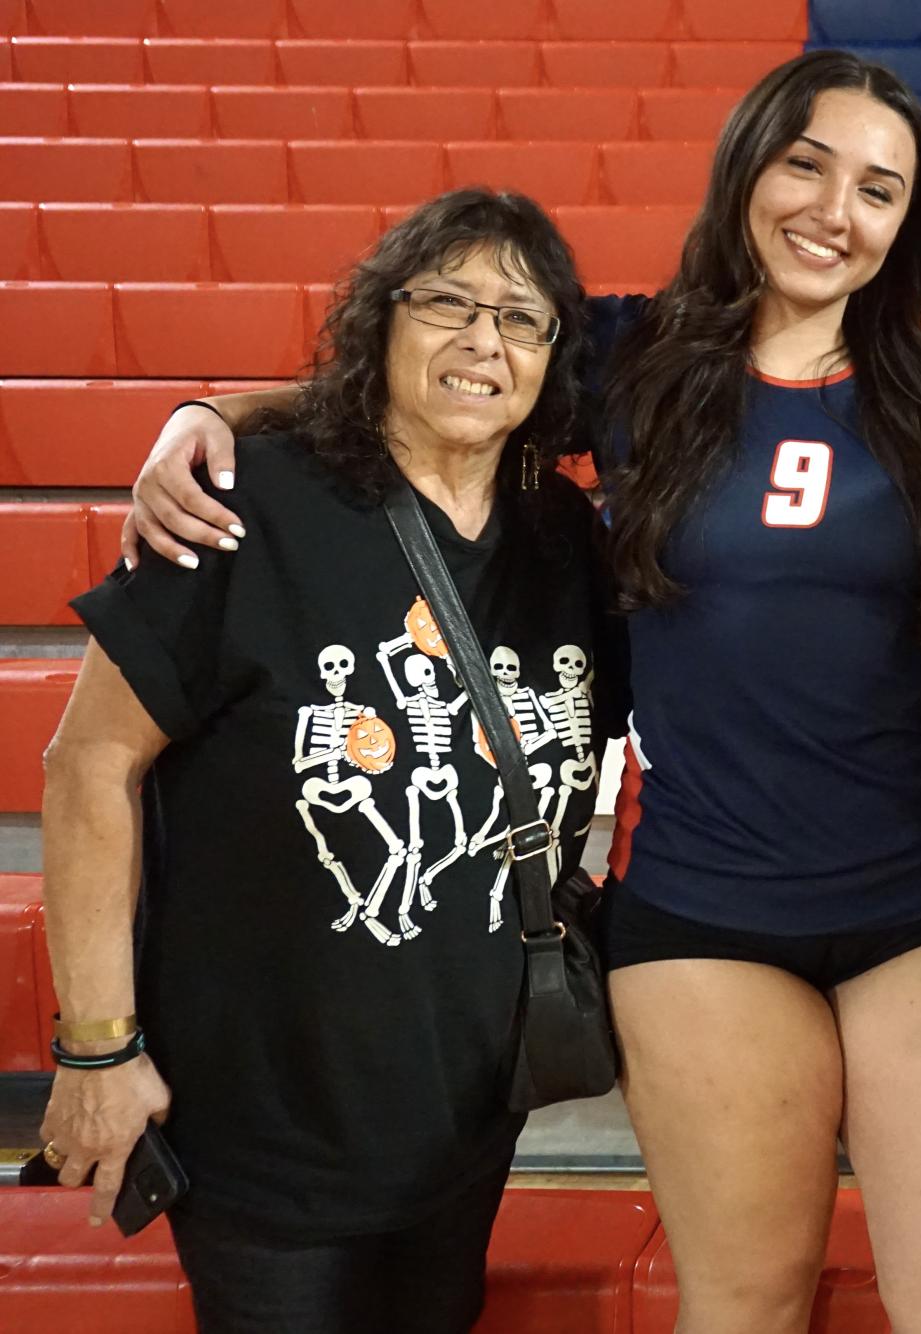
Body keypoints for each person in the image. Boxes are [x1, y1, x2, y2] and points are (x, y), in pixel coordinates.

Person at [116, 51, 921, 1334]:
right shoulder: (632, 354)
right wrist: (205, 411)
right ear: (749, 171)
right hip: (707, 900)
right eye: (807, 164)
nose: (837, 209)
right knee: (746, 1295)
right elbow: (412, 395)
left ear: (909, 221)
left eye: (880, 188)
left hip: (911, 894)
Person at [38, 188, 613, 1334]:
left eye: (520, 317)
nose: (482, 340)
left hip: (465, 1116)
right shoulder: (248, 502)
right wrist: (97, 1048)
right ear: (379, 321)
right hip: (266, 1126)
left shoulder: (567, 539)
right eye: (445, 302)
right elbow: (87, 763)